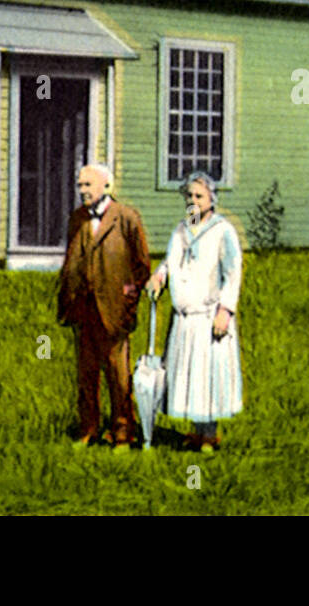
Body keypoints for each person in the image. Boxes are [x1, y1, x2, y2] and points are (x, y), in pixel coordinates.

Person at [144, 170, 243, 451]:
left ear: (212, 198)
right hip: (184, 316)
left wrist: (226, 310)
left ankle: (210, 433)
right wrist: (159, 276)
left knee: (207, 374)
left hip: (208, 314)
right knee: (189, 373)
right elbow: (170, 261)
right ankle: (196, 432)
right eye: (189, 195)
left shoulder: (223, 230)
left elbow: (233, 272)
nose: (193, 200)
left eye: (199, 196)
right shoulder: (182, 229)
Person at [57, 163, 152, 448]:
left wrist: (128, 301)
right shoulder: (77, 219)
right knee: (86, 375)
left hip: (113, 310)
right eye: (80, 185)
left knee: (118, 375)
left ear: (106, 186)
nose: (82, 191)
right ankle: (88, 429)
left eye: (88, 185)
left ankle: (123, 433)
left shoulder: (126, 218)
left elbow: (141, 266)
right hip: (83, 309)